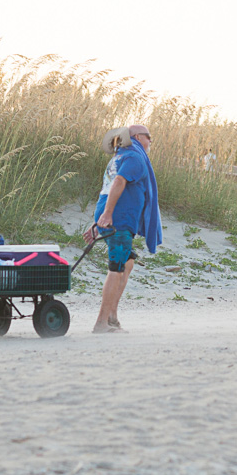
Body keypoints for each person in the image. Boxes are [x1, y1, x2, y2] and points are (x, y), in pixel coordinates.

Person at [92, 124, 162, 334]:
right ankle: (101, 323)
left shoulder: (118, 158)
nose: (151, 142)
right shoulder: (134, 158)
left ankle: (112, 317)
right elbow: (119, 183)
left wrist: (99, 219)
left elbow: (107, 188)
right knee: (117, 268)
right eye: (149, 137)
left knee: (128, 263)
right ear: (138, 137)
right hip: (118, 220)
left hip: (113, 217)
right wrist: (107, 214)